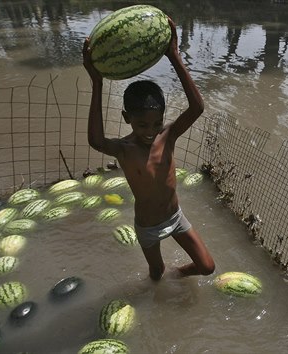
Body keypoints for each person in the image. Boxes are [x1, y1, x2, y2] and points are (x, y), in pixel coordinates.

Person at [83, 18, 215, 281]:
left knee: (207, 267)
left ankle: (177, 276)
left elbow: (197, 108)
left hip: (176, 218)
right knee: (156, 274)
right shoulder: (124, 149)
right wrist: (97, 83)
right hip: (148, 226)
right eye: (142, 124)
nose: (150, 130)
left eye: (156, 123)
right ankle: (162, 284)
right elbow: (96, 141)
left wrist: (174, 56)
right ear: (126, 118)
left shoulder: (167, 136)